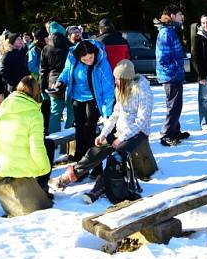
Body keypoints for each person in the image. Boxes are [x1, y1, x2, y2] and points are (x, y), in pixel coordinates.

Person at [51, 59, 153, 197]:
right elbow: (116, 113)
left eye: (117, 79)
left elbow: (142, 120)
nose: (115, 81)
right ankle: (66, 178)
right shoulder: (120, 88)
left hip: (137, 133)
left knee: (115, 157)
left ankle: (103, 186)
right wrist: (104, 134)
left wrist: (121, 138)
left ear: (125, 79)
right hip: (121, 130)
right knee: (95, 151)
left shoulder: (142, 91)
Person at [0, 76, 53, 194]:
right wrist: (44, 169)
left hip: (4, 166)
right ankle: (42, 188)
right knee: (49, 144)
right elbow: (36, 147)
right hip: (26, 167)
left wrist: (0, 161)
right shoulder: (35, 114)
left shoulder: (0, 110)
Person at [55, 39, 115, 162]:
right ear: (79, 57)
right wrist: (61, 81)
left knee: (89, 130)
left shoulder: (101, 63)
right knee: (79, 128)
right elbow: (67, 70)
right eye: (84, 60)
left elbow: (108, 87)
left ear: (94, 53)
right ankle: (79, 157)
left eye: (91, 58)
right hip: (77, 97)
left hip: (94, 98)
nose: (89, 61)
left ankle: (94, 161)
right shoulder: (72, 58)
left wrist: (107, 110)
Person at [155, 4, 187, 147]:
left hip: (174, 74)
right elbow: (162, 58)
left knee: (175, 104)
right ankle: (166, 134)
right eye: (180, 15)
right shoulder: (166, 32)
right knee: (174, 106)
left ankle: (175, 131)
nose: (182, 18)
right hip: (170, 75)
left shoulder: (171, 30)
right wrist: (174, 70)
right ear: (172, 16)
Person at [40, 22, 71, 134]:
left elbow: (43, 71)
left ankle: (54, 138)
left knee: (55, 112)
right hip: (70, 82)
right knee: (71, 112)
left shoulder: (46, 49)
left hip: (53, 83)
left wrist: (42, 88)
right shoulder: (71, 47)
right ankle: (70, 137)